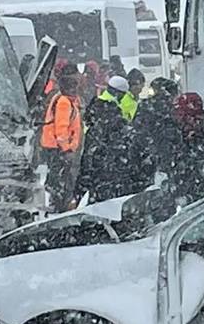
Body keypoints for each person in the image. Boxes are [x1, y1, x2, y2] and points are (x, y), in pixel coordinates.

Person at [77, 76, 135, 202]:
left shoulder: (95, 103)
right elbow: (120, 132)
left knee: (89, 184)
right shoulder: (113, 109)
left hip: (91, 149)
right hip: (106, 157)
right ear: (118, 93)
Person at [39, 63, 84, 212]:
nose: (74, 90)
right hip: (58, 148)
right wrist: (66, 149)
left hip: (55, 147)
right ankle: (58, 206)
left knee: (58, 178)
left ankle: (57, 204)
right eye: (72, 88)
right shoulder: (64, 102)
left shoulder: (65, 100)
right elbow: (61, 129)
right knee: (60, 179)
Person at [130, 77, 184, 191]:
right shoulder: (175, 107)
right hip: (170, 155)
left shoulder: (145, 105)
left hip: (148, 154)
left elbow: (136, 128)